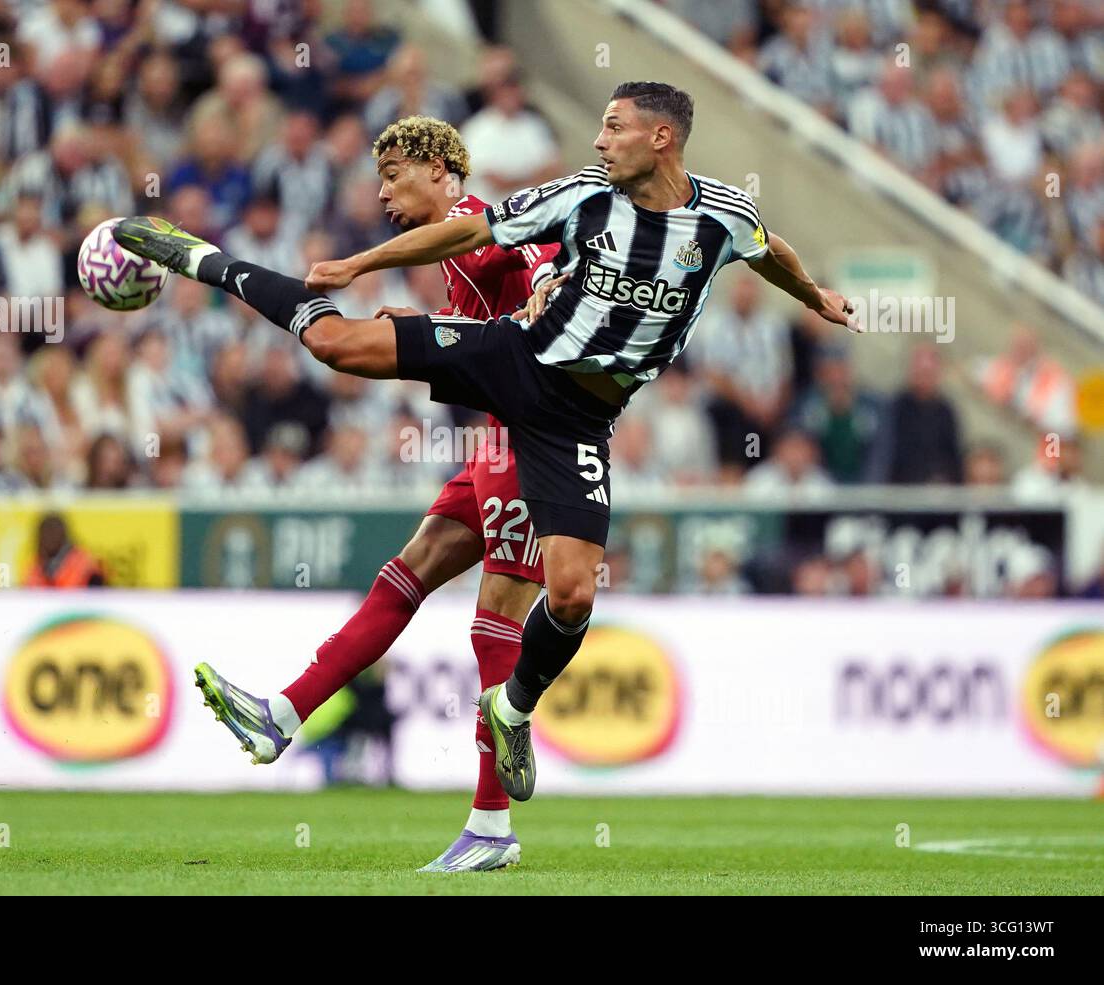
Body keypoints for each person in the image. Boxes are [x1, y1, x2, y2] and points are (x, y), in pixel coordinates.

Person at [113, 80, 855, 806]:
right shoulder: (573, 198)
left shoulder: (718, 215)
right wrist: (373, 272)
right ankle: (299, 719)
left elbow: (762, 248)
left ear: (661, 137)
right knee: (397, 507)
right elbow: (492, 239)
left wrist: (815, 295)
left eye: (614, 127)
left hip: (551, 431)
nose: (599, 141)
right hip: (511, 371)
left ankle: (497, 769)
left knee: (537, 603)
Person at [199, 116, 560, 872]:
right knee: (413, 566)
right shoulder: (462, 249)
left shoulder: (469, 224)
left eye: (395, 172)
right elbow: (490, 321)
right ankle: (284, 712)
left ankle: (492, 826)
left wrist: (543, 292)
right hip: (496, 436)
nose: (384, 190)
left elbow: (533, 267)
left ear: (439, 167)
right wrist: (431, 324)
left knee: (496, 616)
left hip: (534, 436)